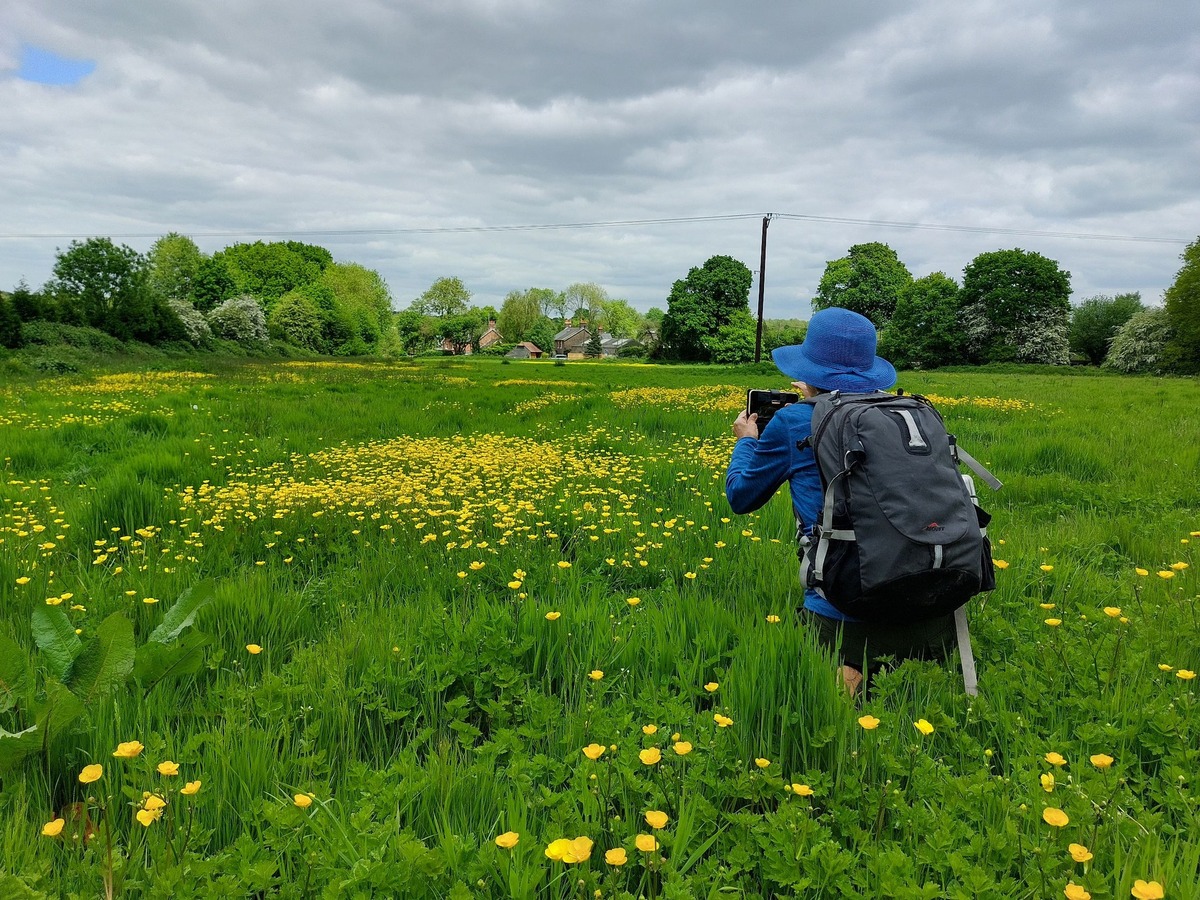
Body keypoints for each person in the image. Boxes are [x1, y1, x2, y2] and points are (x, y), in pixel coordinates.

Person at [725, 307, 956, 695]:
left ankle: (845, 675)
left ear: (809, 372)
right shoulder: (909, 414)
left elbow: (741, 497)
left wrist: (747, 440)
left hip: (846, 624)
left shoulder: (794, 421)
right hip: (937, 612)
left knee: (800, 688)